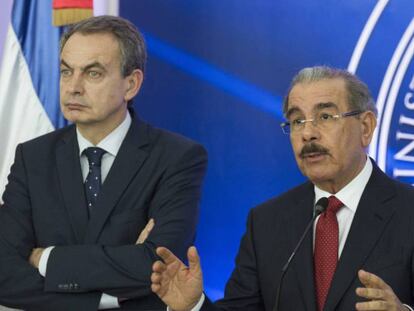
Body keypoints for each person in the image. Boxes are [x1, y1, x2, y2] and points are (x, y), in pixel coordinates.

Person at [150, 66, 414, 311]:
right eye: (297, 121)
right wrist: (194, 305)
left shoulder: (408, 212)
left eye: (324, 116)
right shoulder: (266, 223)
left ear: (365, 127)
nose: (308, 134)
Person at [0, 16, 207, 310]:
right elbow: (4, 275)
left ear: (131, 84)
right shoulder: (32, 157)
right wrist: (107, 297)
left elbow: (157, 266)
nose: (73, 87)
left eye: (93, 74)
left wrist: (45, 258)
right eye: (66, 71)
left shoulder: (177, 158)